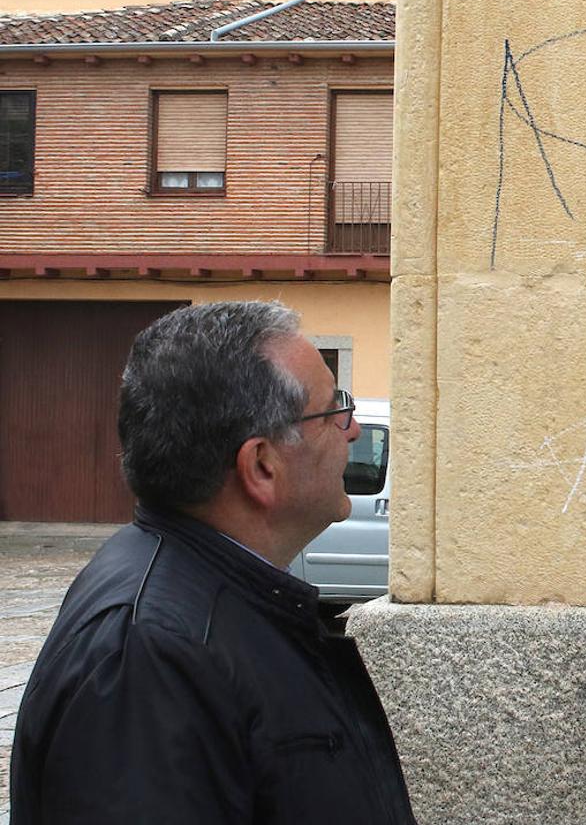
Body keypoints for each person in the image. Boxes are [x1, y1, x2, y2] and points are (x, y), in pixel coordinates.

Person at [10, 301, 419, 824]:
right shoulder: (147, 655)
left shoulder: (214, 600)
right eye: (334, 408)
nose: (353, 428)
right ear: (261, 465)